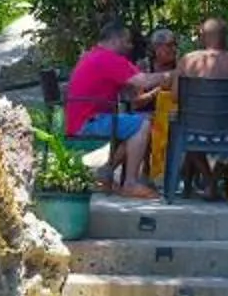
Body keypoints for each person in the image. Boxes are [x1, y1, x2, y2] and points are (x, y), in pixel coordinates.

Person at [61, 21, 163, 198]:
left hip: (80, 121)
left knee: (133, 126)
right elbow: (144, 81)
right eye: (128, 42)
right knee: (142, 124)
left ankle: (104, 175)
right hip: (87, 124)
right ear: (117, 40)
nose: (130, 47)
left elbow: (132, 96)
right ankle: (130, 183)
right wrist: (174, 74)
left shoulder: (93, 55)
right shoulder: (108, 58)